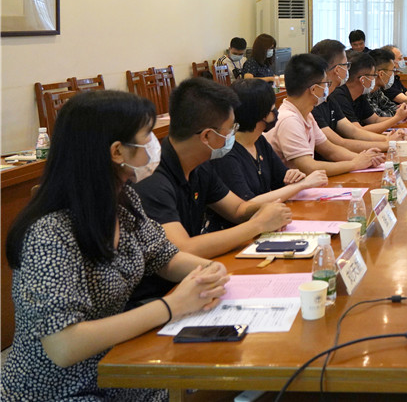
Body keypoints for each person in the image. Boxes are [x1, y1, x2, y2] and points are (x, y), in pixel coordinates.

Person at [2, 91, 229, 402]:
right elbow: (63, 345)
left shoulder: (123, 199)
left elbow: (163, 257)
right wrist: (171, 306)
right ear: (117, 151)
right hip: (62, 389)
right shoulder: (49, 233)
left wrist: (207, 270)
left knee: (221, 379)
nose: (156, 143)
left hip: (118, 365)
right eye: (147, 135)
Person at [130, 78, 291, 301]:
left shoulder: (200, 165)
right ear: (207, 136)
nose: (233, 135)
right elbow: (181, 249)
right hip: (161, 294)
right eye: (231, 129)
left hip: (197, 277)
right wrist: (258, 224)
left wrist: (266, 210)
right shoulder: (152, 178)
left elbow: (237, 209)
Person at [205, 79, 328, 231]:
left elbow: (282, 179)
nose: (276, 112)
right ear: (260, 114)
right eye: (272, 108)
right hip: (237, 231)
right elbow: (247, 205)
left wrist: (294, 177)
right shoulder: (225, 153)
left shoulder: (259, 141)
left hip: (267, 223)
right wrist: (302, 184)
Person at [265, 53, 382, 176]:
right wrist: (354, 164)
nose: (327, 88)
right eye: (326, 84)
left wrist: (364, 158)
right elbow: (309, 167)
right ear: (314, 89)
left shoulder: (306, 115)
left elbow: (330, 150)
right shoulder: (289, 120)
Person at [309, 40, 402, 152]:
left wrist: (388, 140)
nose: (348, 69)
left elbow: (354, 132)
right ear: (337, 69)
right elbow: (339, 143)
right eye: (346, 65)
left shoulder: (330, 97)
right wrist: (389, 144)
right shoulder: (316, 101)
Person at [333, 50, 407, 135]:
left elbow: (375, 120)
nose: (374, 79)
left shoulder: (360, 94)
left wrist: (401, 118)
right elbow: (358, 132)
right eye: (373, 75)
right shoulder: (339, 96)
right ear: (363, 80)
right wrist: (396, 119)